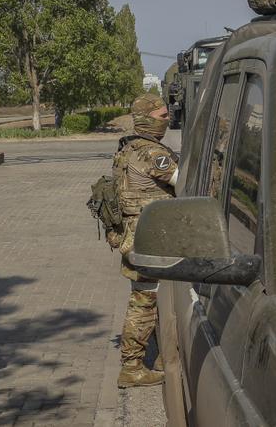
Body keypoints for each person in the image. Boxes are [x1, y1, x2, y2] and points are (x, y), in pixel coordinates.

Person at [110, 93, 179, 388]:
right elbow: (185, 179)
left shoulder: (128, 148)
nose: (168, 120)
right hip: (149, 239)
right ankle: (132, 367)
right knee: (145, 301)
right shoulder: (152, 153)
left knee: (155, 297)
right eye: (162, 116)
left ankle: (164, 356)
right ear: (146, 118)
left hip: (136, 235)